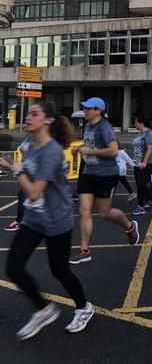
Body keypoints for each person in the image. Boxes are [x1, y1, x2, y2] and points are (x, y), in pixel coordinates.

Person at [0, 102, 94, 339]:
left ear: (48, 120)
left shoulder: (51, 151)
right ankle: (43, 310)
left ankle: (84, 307)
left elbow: (33, 192)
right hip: (34, 219)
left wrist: (18, 171)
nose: (27, 117)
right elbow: (27, 172)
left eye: (34, 114)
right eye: (27, 113)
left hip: (56, 221)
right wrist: (11, 165)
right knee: (13, 268)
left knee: (59, 271)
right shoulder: (32, 145)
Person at [70, 97, 139, 264]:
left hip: (106, 174)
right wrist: (79, 149)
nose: (85, 111)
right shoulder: (88, 126)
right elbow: (89, 146)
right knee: (84, 210)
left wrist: (91, 151)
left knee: (104, 213)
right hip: (88, 172)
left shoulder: (104, 127)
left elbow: (114, 151)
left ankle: (130, 226)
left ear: (98, 111)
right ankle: (85, 251)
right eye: (84, 108)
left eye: (88, 108)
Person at [132, 116, 152, 215]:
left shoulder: (149, 133)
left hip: (147, 163)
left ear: (141, 122)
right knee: (139, 185)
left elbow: (150, 148)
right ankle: (140, 206)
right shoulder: (140, 133)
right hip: (137, 163)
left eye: (135, 122)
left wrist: (144, 162)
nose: (134, 124)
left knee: (143, 184)